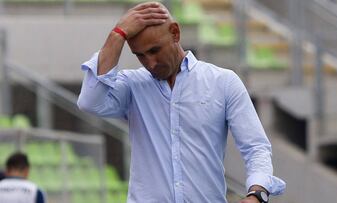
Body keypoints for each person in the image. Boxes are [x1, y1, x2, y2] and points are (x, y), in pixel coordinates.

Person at [77, 2, 286, 203]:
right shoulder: (131, 85)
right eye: (140, 55)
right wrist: (117, 35)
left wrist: (257, 193)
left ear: (175, 33)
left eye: (154, 50)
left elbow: (256, 147)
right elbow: (89, 101)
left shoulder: (223, 81)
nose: (150, 63)